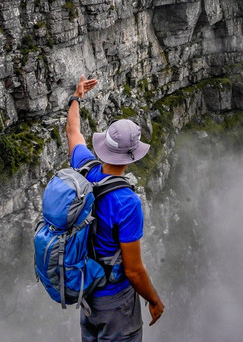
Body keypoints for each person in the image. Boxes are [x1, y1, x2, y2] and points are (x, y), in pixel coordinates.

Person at [66, 74, 165, 342]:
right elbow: (133, 270)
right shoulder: (127, 202)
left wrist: (76, 97)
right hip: (117, 303)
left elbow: (73, 132)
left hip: (88, 294)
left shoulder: (85, 167)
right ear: (131, 155)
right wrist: (154, 300)